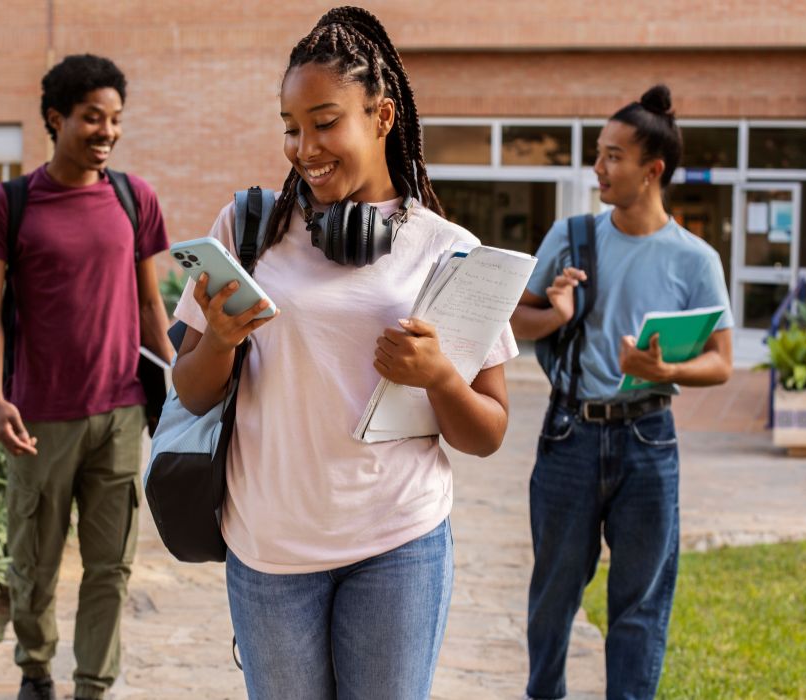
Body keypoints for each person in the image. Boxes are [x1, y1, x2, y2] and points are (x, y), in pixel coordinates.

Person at [170, 7, 518, 699]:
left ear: (383, 116)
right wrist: (219, 338)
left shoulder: (450, 251)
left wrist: (441, 377)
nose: (305, 147)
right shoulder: (246, 230)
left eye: (325, 122)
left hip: (399, 544)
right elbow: (190, 390)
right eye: (291, 128)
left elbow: (489, 432)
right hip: (269, 549)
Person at [511, 85, 734, 700]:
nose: (598, 168)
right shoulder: (573, 235)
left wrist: (666, 371)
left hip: (647, 440)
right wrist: (554, 315)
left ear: (651, 170)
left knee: (639, 602)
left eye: (613, 156)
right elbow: (514, 325)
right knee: (554, 595)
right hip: (569, 435)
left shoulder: (696, 261)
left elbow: (720, 364)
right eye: (599, 153)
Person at [0, 54, 174, 700]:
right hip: (39, 418)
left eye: (114, 119)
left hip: (118, 413)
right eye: (92, 118)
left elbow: (148, 306)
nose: (106, 131)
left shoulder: (133, 198)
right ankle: (34, 671)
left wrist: (179, 385)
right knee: (34, 560)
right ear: (56, 119)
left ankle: (92, 685)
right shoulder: (11, 205)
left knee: (110, 566)